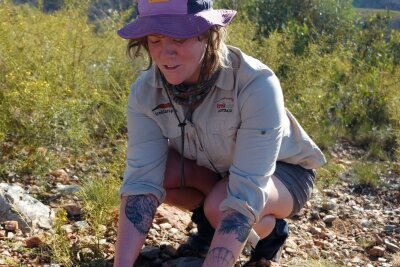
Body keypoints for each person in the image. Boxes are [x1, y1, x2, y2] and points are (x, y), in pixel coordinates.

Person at [114, 0, 326, 266]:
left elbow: (245, 192)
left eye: (178, 38)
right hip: (219, 171)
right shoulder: (145, 92)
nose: (166, 53)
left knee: (220, 205)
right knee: (159, 174)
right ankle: (211, 230)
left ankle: (270, 233)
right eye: (155, 40)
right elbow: (141, 181)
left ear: (208, 34)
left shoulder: (256, 83)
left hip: (283, 172)